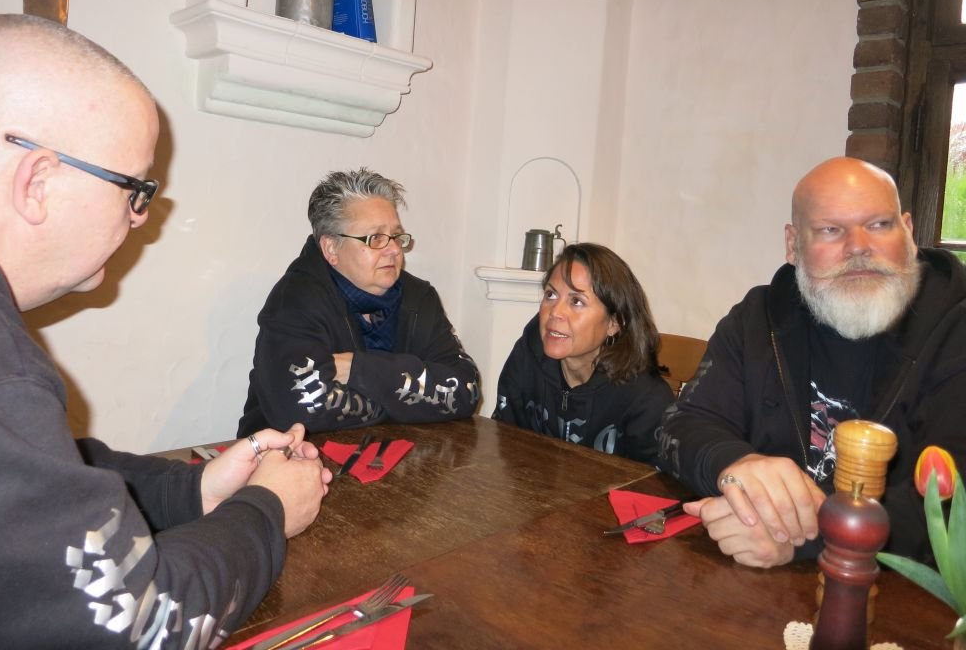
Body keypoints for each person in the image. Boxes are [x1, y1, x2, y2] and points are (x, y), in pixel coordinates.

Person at [0, 14, 332, 648]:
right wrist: (266, 509)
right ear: (38, 182)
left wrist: (193, 489)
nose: (140, 217)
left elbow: (39, 472)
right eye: (134, 189)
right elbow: (144, 626)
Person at [659, 156, 966, 569]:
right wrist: (735, 464)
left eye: (879, 224)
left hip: (902, 596)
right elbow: (682, 425)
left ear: (908, 233)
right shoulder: (758, 319)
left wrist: (805, 536)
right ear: (793, 244)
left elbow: (954, 503)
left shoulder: (956, 329)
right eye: (830, 230)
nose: (858, 246)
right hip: (754, 584)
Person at [237, 169, 480, 436]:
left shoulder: (419, 298)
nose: (394, 250)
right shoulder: (295, 300)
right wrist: (406, 402)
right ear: (331, 248)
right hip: (287, 456)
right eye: (375, 238)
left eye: (396, 236)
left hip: (395, 454)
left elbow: (466, 390)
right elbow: (304, 411)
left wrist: (359, 370)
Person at [493, 243, 673, 464]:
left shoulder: (646, 399)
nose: (555, 312)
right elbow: (504, 441)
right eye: (551, 294)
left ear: (614, 323)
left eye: (577, 301)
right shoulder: (527, 355)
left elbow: (652, 483)